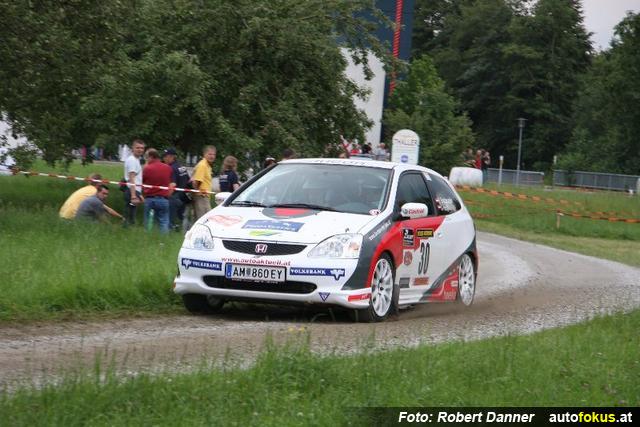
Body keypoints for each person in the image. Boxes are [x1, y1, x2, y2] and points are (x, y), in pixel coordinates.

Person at [142, 148, 174, 233]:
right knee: (164, 221)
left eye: (147, 158)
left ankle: (147, 236)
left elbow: (142, 182)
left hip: (150, 199)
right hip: (163, 199)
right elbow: (170, 182)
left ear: (151, 157)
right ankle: (163, 239)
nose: (146, 160)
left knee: (147, 221)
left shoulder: (147, 168)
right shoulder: (168, 168)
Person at [163, 148, 191, 231]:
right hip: (184, 196)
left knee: (170, 218)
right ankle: (188, 230)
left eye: (165, 156)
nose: (164, 159)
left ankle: (170, 230)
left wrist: (167, 196)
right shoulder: (182, 167)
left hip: (175, 197)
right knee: (182, 216)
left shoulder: (171, 168)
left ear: (172, 157)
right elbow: (189, 181)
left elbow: (173, 184)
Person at [123, 139, 145, 225]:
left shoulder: (136, 160)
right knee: (129, 214)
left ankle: (128, 227)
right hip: (131, 191)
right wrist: (133, 195)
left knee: (131, 213)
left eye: (142, 148)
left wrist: (139, 193)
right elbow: (132, 178)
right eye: (137, 147)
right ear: (133, 148)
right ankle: (126, 228)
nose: (140, 150)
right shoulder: (132, 160)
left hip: (135, 190)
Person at [191, 145, 217, 220]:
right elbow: (197, 181)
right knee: (203, 219)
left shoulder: (207, 165)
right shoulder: (203, 165)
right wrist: (198, 193)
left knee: (205, 219)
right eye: (210, 154)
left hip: (204, 196)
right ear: (204, 154)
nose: (212, 156)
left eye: (214, 154)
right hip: (201, 196)